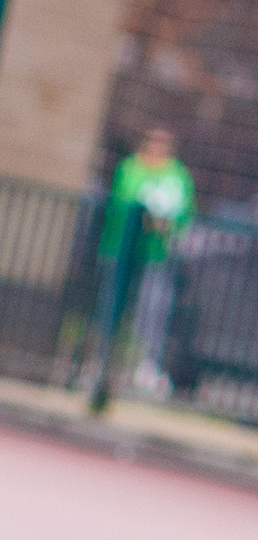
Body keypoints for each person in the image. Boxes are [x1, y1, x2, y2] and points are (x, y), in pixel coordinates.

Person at [101, 127, 195, 398]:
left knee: (153, 308)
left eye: (163, 142)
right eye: (153, 141)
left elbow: (185, 209)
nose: (157, 147)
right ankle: (106, 359)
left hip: (158, 253)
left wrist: (168, 223)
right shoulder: (130, 168)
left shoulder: (177, 174)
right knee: (114, 303)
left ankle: (146, 364)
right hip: (122, 249)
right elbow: (124, 199)